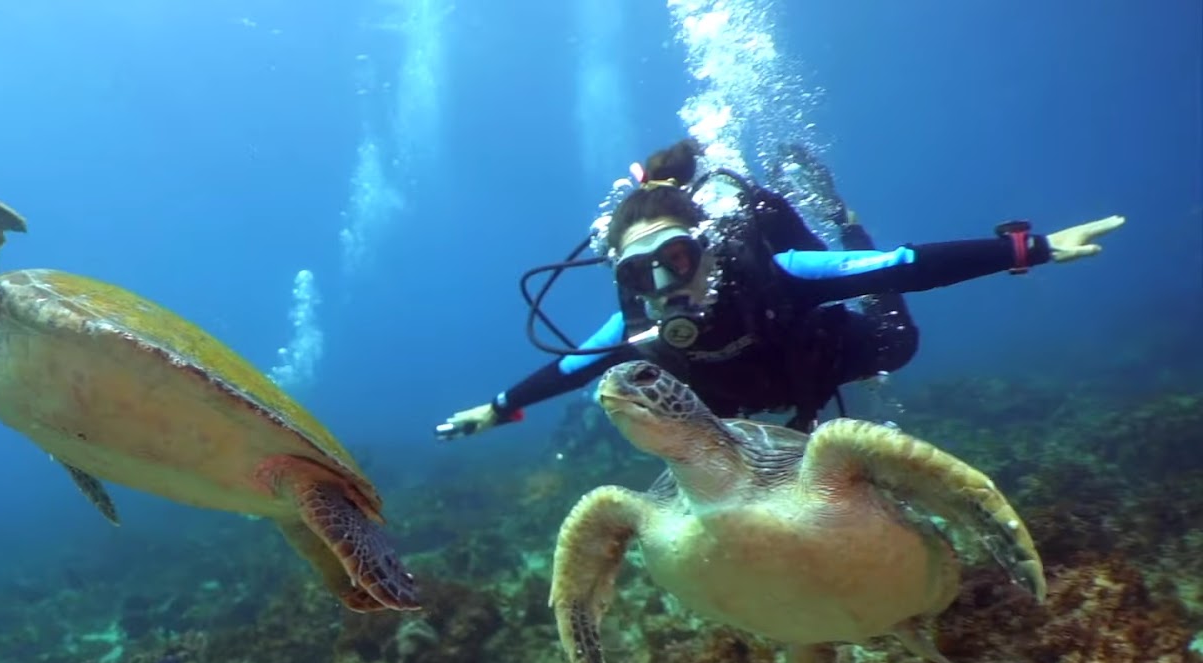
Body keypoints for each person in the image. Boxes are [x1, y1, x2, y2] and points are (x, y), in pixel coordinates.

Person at [435, 138, 1125, 436]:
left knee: (898, 342)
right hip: (737, 398)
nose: (661, 285)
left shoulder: (770, 274)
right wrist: (496, 409)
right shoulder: (637, 326)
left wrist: (1030, 247)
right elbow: (567, 368)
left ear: (704, 246)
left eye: (676, 258)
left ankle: (844, 220)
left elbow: (909, 263)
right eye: (636, 273)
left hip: (810, 353)